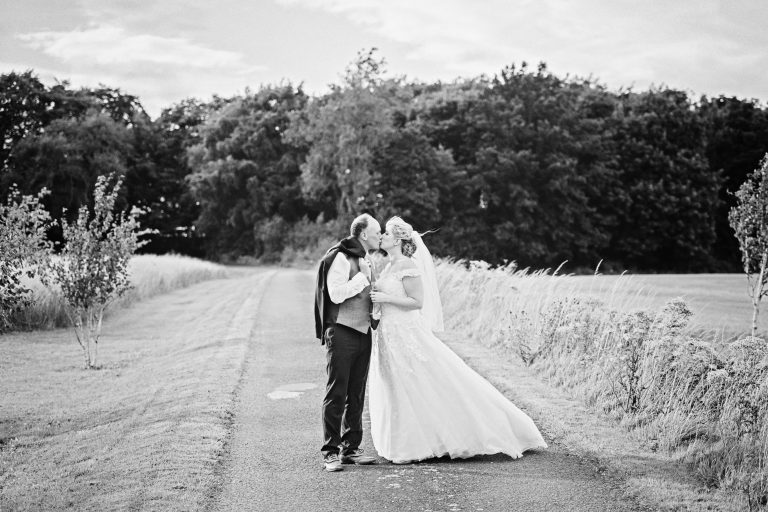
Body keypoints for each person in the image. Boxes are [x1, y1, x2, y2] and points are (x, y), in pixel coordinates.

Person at [368, 216, 548, 464]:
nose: (382, 237)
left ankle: (488, 428)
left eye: (386, 234)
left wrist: (385, 300)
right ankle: (406, 442)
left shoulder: (407, 264)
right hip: (389, 335)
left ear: (398, 239)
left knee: (429, 381)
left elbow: (416, 303)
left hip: (407, 333)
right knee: (399, 386)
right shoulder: (388, 266)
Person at [314, 213, 382, 472]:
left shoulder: (367, 259)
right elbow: (336, 293)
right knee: (336, 392)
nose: (380, 235)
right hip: (341, 332)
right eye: (377, 232)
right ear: (363, 234)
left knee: (356, 392)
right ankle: (330, 452)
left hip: (363, 332)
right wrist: (362, 277)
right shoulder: (341, 257)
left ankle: (351, 449)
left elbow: (366, 295)